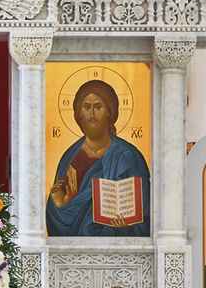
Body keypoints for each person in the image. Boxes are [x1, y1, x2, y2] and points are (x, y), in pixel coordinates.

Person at [45, 79, 150, 237]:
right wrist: (58, 206)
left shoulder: (128, 156)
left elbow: (146, 213)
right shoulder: (70, 158)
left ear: (109, 111)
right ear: (79, 113)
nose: (92, 114)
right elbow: (60, 222)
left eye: (98, 107)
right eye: (87, 107)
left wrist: (126, 226)